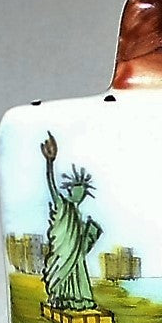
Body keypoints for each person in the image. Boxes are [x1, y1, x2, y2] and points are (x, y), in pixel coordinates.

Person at [40, 131, 102, 311]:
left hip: (76, 255)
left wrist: (91, 232)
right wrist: (49, 163)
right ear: (72, 191)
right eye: (78, 191)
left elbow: (83, 242)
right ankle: (60, 298)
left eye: (82, 193)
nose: (79, 195)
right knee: (62, 270)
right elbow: (52, 187)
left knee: (78, 273)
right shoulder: (63, 205)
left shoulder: (77, 214)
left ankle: (78, 299)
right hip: (64, 251)